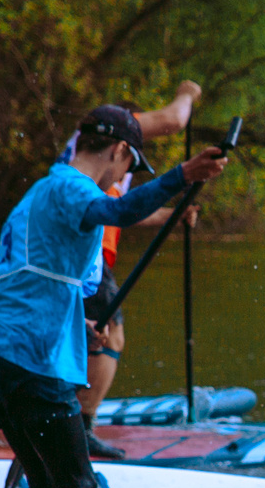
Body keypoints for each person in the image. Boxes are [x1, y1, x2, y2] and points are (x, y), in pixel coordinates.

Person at [0, 105, 229, 488]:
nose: (126, 176)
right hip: (31, 360)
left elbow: (37, 278)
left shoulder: (40, 190)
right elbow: (119, 212)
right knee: (79, 485)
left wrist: (80, 325)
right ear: (118, 151)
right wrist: (182, 176)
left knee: (43, 484)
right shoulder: (70, 185)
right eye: (130, 165)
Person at [73, 83, 201, 459]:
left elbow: (120, 210)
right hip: (87, 259)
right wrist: (187, 94)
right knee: (109, 339)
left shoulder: (86, 168)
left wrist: (169, 216)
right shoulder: (109, 138)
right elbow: (175, 120)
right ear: (121, 142)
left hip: (93, 257)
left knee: (90, 336)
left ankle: (68, 414)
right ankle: (81, 425)